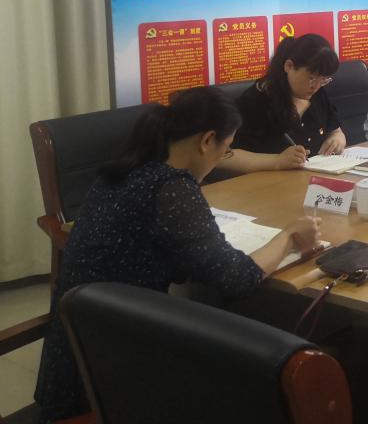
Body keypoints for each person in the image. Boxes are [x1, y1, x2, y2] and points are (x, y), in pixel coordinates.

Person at [34, 86, 321, 422]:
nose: (222, 158)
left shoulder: (122, 171)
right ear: (207, 140)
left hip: (75, 364)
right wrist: (289, 235)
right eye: (226, 149)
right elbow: (237, 278)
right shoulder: (171, 187)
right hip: (119, 381)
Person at [227, 34, 346, 170]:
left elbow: (336, 130)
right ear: (289, 66)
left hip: (314, 175)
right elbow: (225, 157)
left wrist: (337, 138)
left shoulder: (317, 93)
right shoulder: (256, 101)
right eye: (311, 78)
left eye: (324, 80)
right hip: (269, 180)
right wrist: (277, 160)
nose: (316, 86)